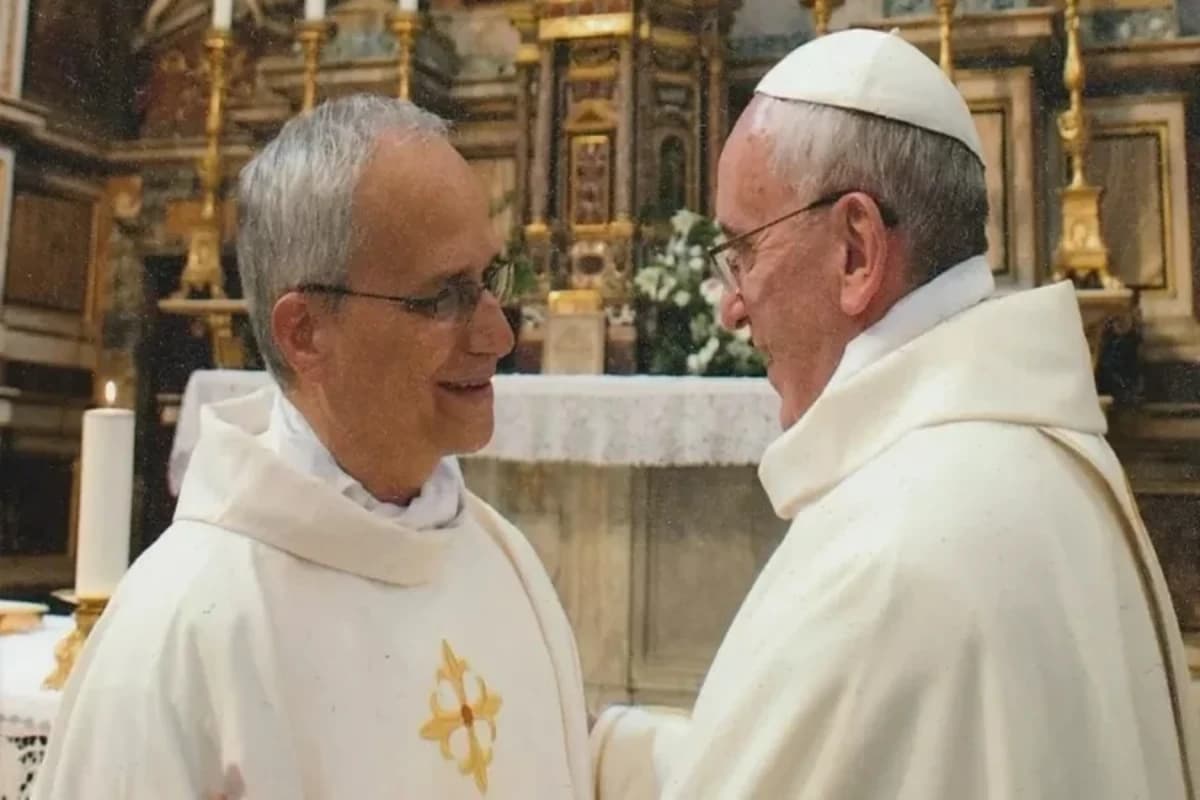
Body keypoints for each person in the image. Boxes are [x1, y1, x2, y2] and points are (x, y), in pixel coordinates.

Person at [591, 28, 1200, 799]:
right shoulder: (1062, 464)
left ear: (856, 251)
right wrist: (618, 755)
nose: (731, 307)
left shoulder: (882, 553)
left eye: (743, 252)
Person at [34, 95, 590, 799]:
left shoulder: (505, 560)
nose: (498, 336)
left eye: (488, 282)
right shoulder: (182, 626)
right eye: (443, 298)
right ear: (304, 333)